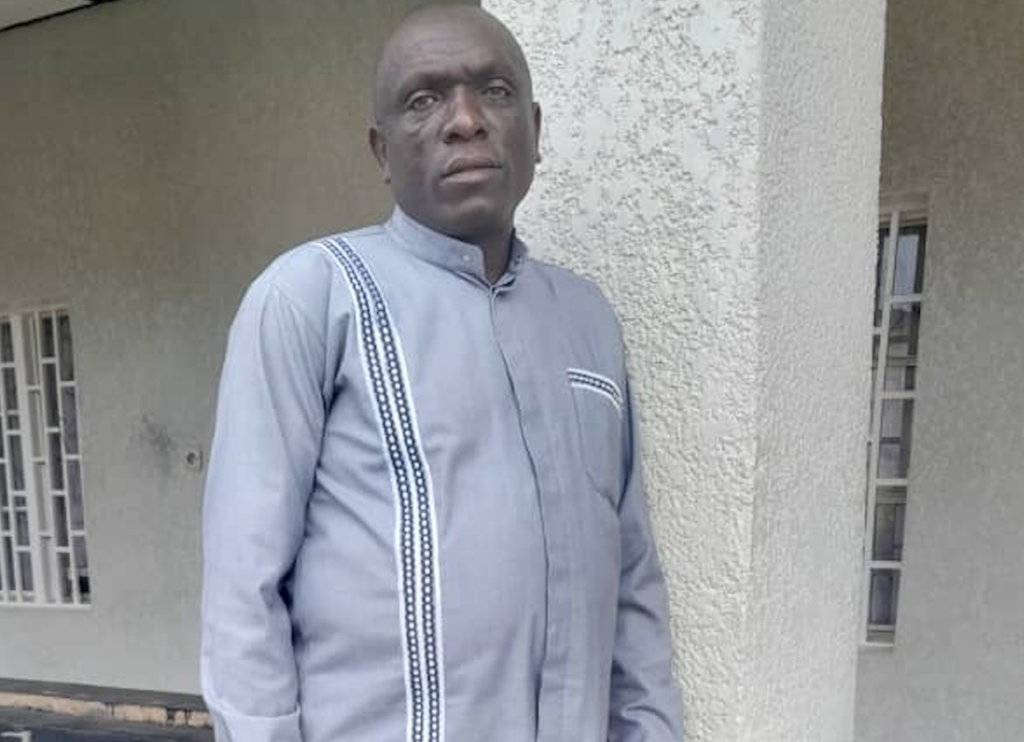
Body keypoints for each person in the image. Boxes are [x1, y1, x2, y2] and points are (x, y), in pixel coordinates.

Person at [200, 5, 683, 742]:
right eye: (424, 99)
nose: (465, 120)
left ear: (535, 129)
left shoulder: (587, 322)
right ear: (382, 151)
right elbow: (244, 589)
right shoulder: (313, 298)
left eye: (494, 90)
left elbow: (632, 583)